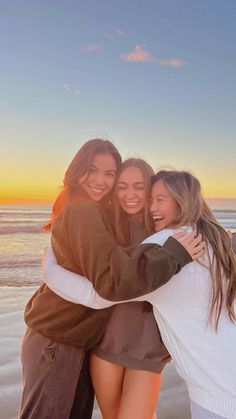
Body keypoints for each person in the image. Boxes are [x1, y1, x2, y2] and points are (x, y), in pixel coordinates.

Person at [19, 139, 203, 419]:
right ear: (77, 169)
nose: (101, 181)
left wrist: (53, 275)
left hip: (90, 339)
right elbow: (112, 282)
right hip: (65, 337)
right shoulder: (90, 213)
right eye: (94, 171)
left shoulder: (159, 228)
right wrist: (54, 276)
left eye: (109, 174)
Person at [43, 170, 236, 419]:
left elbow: (101, 293)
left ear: (182, 200)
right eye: (151, 199)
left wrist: (50, 272)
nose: (152, 207)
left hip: (220, 396)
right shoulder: (215, 242)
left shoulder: (167, 245)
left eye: (160, 199)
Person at [90, 158, 170, 419]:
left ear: (150, 189)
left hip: (148, 347)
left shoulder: (164, 230)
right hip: (106, 343)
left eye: (138, 187)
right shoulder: (104, 227)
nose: (130, 195)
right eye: (122, 187)